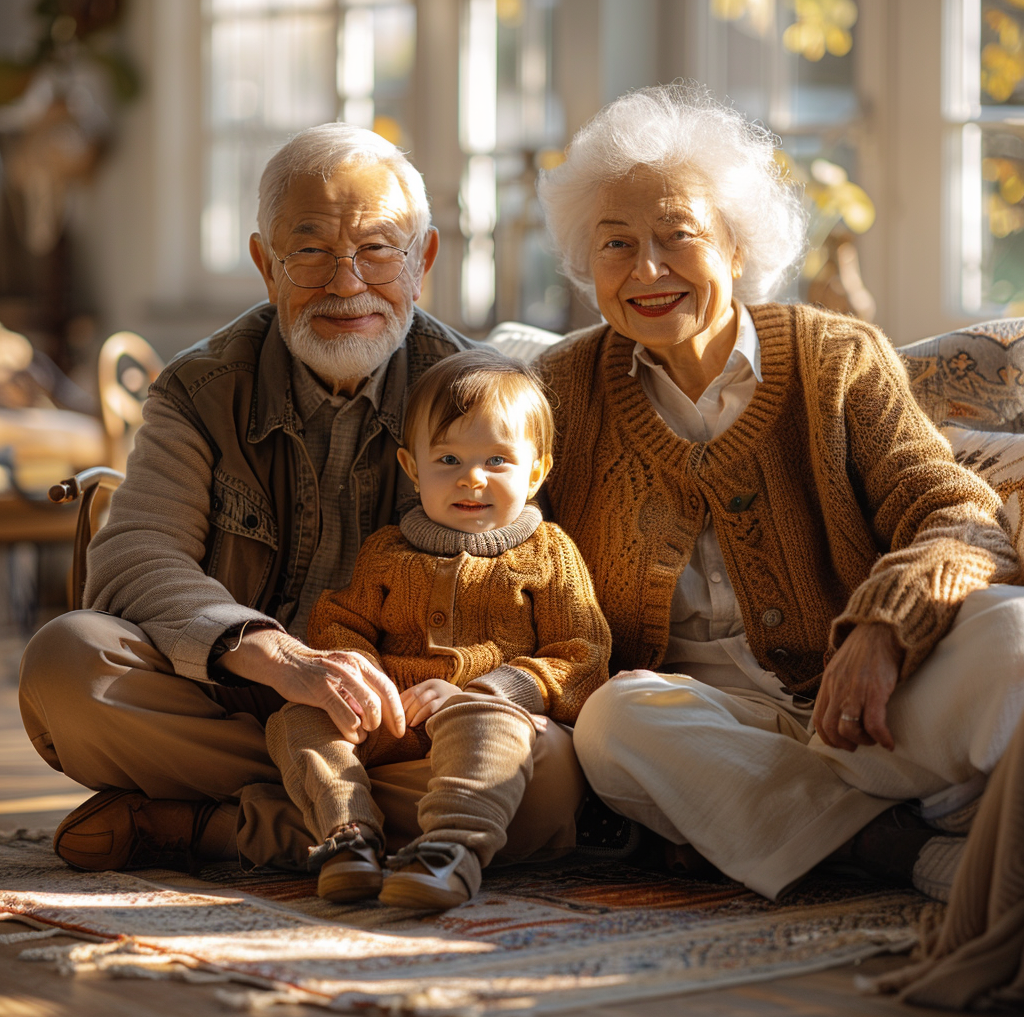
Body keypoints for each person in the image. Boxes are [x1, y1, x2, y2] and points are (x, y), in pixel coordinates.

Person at [18, 123, 588, 875]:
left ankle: (210, 830)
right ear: (265, 264)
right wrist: (277, 658)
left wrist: (478, 695)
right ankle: (349, 821)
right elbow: (134, 556)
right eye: (311, 251)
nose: (346, 283)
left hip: (407, 732)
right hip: (235, 703)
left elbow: (559, 614)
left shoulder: (475, 398)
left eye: (379, 249)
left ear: (424, 259)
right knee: (66, 665)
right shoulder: (202, 388)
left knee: (545, 777)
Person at [533, 82, 1024, 903]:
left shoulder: (837, 359)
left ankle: (781, 824)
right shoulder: (558, 389)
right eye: (615, 244)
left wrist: (884, 627)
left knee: (1011, 634)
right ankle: (903, 847)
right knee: (614, 724)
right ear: (590, 265)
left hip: (867, 702)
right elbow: (513, 560)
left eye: (677, 235)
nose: (646, 270)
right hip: (704, 729)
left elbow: (958, 513)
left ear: (736, 244)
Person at [267, 350, 610, 909]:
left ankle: (449, 848)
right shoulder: (386, 552)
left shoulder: (549, 552)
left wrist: (495, 687)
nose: (471, 477)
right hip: (391, 719)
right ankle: (348, 835)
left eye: (498, 460)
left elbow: (584, 654)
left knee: (492, 724)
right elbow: (338, 624)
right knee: (297, 720)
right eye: (447, 458)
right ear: (411, 467)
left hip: (485, 720)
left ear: (537, 471)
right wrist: (365, 682)